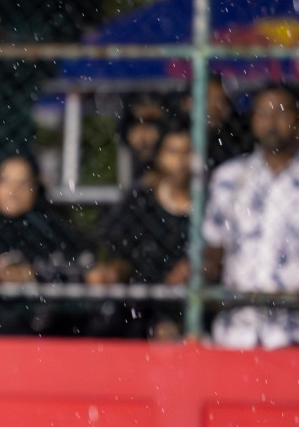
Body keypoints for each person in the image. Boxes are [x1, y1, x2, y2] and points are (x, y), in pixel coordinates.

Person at [203, 83, 299, 348]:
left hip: (293, 332)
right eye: (263, 113)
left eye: (281, 112)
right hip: (237, 332)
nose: (271, 122)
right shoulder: (229, 178)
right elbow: (214, 246)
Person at [0, 154, 82, 335]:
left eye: (23, 183)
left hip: (49, 329)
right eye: (6, 182)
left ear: (35, 187)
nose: (13, 191)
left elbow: (77, 270)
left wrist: (34, 273)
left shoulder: (50, 226)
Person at [87, 127, 191, 340]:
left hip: (190, 298)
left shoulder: (211, 201)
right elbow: (116, 249)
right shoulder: (141, 200)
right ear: (159, 156)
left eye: (188, 152)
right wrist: (115, 269)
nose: (180, 161)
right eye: (172, 151)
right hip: (142, 300)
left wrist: (197, 268)